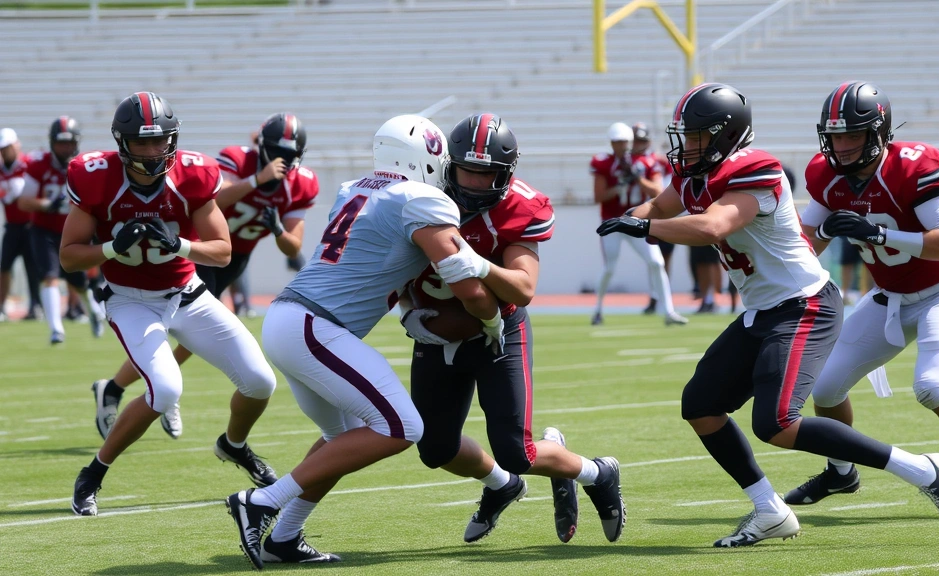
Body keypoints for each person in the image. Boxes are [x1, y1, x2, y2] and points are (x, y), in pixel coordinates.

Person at [597, 82, 939, 547]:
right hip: (763, 310)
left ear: (726, 135)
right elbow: (659, 204)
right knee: (701, 405)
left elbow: (713, 225)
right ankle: (770, 510)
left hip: (804, 305)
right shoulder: (692, 175)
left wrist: (646, 225)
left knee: (777, 423)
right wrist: (635, 215)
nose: (687, 146)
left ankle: (924, 469)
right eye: (685, 136)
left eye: (696, 136)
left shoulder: (757, 170)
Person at [224, 115, 505, 568]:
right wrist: (492, 321)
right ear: (426, 158)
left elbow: (378, 258)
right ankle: (261, 501)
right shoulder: (421, 199)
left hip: (291, 320)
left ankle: (284, 537)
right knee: (403, 427)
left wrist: (408, 308)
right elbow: (464, 282)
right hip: (315, 326)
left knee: (343, 438)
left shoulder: (355, 188)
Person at [785, 82, 939, 522]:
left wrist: (879, 234)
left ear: (878, 133)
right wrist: (808, 240)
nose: (842, 146)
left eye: (852, 135)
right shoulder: (827, 176)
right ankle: (841, 472)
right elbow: (806, 244)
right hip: (888, 296)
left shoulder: (911, 166)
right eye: (835, 136)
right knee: (826, 388)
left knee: (932, 387)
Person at [401, 113, 625, 545]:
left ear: (506, 173)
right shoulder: (420, 194)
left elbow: (523, 289)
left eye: (487, 174)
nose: (475, 183)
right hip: (436, 330)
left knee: (516, 451)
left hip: (497, 331)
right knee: (435, 448)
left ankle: (598, 473)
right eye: (467, 171)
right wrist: (407, 310)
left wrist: (478, 265)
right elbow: (390, 266)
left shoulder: (520, 205)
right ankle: (502, 486)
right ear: (449, 166)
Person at [64, 92, 280, 517]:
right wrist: (110, 248)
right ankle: (93, 472)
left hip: (187, 294)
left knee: (260, 382)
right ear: (122, 142)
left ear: (173, 138)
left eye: (159, 140)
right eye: (141, 142)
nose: (151, 151)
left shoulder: (193, 174)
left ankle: (233, 445)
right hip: (130, 300)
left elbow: (221, 251)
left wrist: (179, 244)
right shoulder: (96, 177)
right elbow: (69, 257)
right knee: (164, 390)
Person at [90, 113, 318, 441]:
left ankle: (122, 388)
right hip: (198, 250)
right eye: (277, 152)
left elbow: (292, 246)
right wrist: (257, 180)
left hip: (234, 259)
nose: (283, 160)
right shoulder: (238, 160)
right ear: (262, 146)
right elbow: (215, 198)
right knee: (179, 329)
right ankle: (155, 390)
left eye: (290, 154)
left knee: (189, 336)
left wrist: (279, 229)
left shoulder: (302, 183)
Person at [17, 116, 104, 343]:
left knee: (80, 283)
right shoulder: (38, 164)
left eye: (69, 142)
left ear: (77, 142)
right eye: (61, 143)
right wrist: (48, 205)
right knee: (50, 276)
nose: (65, 148)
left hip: (73, 232)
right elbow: (24, 201)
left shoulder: (86, 166)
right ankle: (56, 329)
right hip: (44, 230)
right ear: (51, 142)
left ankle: (93, 311)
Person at [590, 122, 686, 326]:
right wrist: (619, 187)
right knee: (609, 268)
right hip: (613, 222)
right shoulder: (603, 162)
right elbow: (598, 196)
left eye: (624, 141)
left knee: (657, 262)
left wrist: (637, 178)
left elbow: (658, 191)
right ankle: (597, 310)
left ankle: (668, 312)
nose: (621, 146)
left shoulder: (647, 162)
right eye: (617, 142)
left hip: (636, 220)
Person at [631, 122, 675, 314]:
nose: (638, 144)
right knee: (655, 260)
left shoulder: (656, 162)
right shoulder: (630, 160)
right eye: (636, 140)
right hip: (646, 214)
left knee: (661, 259)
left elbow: (659, 189)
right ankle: (656, 296)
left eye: (641, 140)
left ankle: (661, 298)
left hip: (663, 213)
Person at [0, 128, 42, 321]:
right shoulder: (2, 170)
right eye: (2, 148)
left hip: (31, 225)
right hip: (12, 226)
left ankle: (35, 306)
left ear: (16, 145)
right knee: (4, 267)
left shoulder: (28, 164)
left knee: (32, 268)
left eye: (7, 147)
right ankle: (2, 306)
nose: (5, 151)